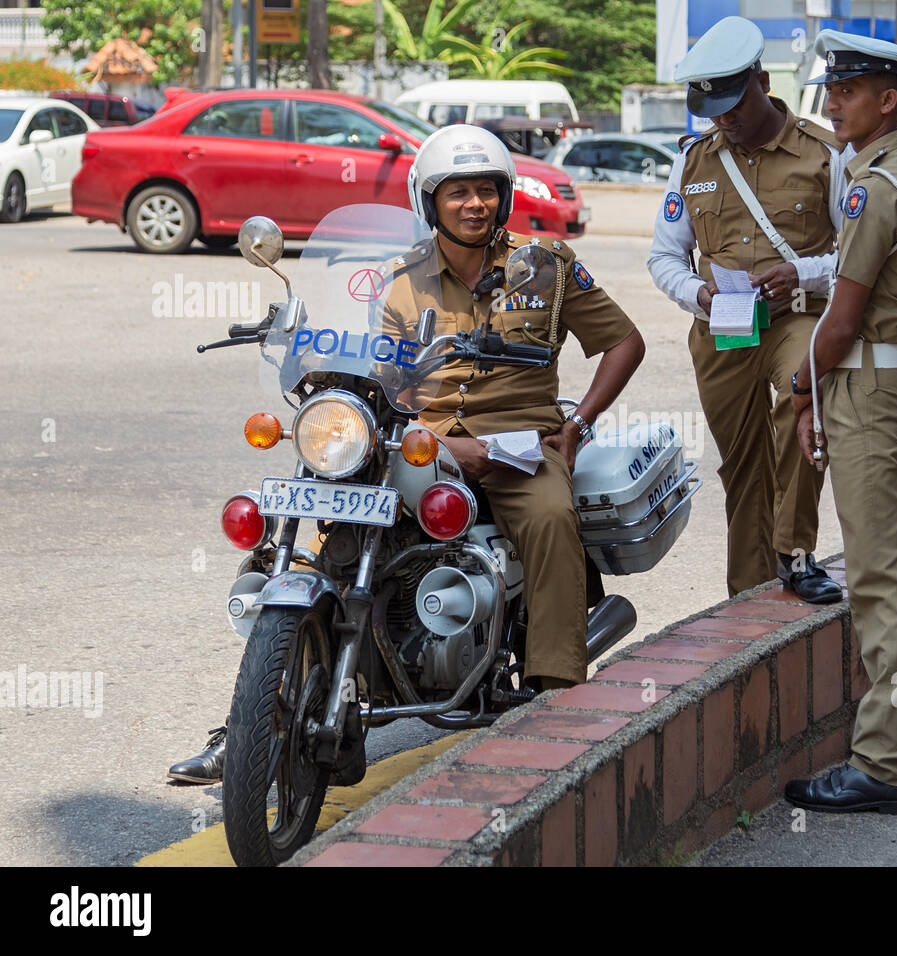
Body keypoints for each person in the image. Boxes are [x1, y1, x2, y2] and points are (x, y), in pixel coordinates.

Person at [168, 126, 644, 784]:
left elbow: (624, 342)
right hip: (424, 441)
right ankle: (268, 716)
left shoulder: (548, 267)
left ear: (504, 200)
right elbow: (381, 369)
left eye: (486, 191)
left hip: (518, 444)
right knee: (341, 527)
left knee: (548, 519)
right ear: (430, 201)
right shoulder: (401, 278)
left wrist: (579, 422)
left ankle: (554, 695)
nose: (474, 203)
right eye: (459, 192)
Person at [783, 31, 897, 815]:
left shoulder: (878, 186)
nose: (831, 101)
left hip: (867, 387)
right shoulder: (890, 174)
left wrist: (799, 386)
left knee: (880, 576)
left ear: (888, 99)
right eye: (832, 87)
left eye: (847, 89)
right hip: (887, 382)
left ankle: (883, 765)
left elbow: (842, 320)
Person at [647, 14, 846, 604]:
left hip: (798, 317)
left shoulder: (824, 155)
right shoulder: (694, 162)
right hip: (721, 328)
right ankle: (750, 591)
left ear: (763, 81)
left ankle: (797, 553)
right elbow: (664, 257)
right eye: (712, 110)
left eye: (734, 104)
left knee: (801, 405)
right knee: (741, 464)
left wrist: (802, 272)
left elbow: (859, 258)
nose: (725, 120)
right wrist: (698, 294)